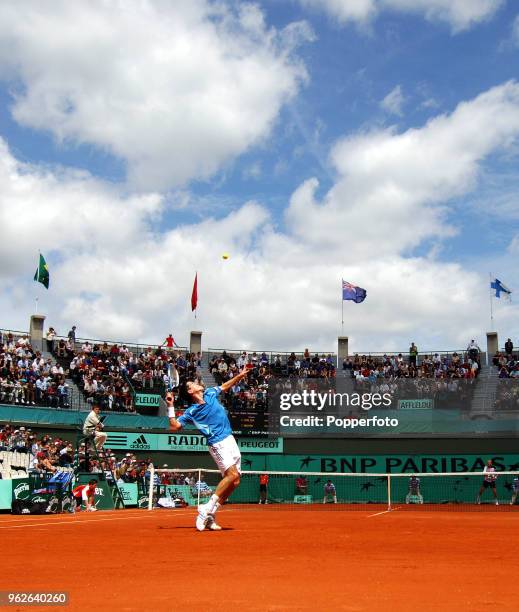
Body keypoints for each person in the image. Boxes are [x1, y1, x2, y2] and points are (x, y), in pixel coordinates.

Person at [167, 366, 252, 531]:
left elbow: (225, 386)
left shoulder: (210, 393)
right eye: (194, 383)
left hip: (230, 439)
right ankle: (205, 509)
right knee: (232, 474)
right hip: (217, 443)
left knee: (235, 481)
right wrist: (170, 406)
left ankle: (211, 514)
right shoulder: (191, 411)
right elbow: (174, 426)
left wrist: (239, 376)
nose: (199, 383)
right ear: (191, 391)